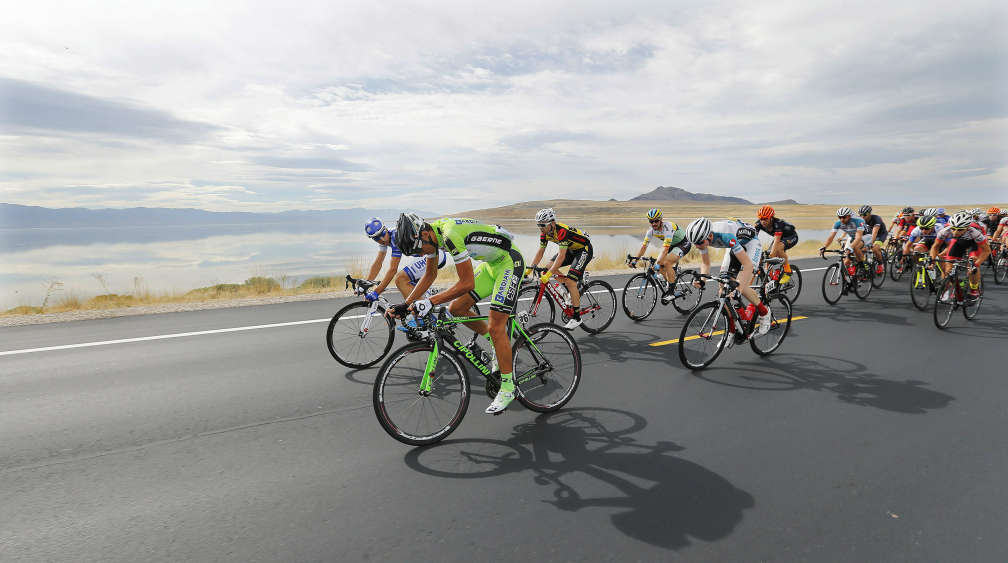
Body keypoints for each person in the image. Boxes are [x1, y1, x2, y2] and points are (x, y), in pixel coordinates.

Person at [391, 213, 526, 414]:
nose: (419, 254)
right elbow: (430, 274)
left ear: (424, 233)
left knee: (497, 326)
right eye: (415, 253)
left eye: (418, 249)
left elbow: (467, 283)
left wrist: (429, 301)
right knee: (456, 309)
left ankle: (508, 387)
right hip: (491, 266)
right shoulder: (431, 236)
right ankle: (495, 344)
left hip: (509, 263)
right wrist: (407, 303)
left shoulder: (449, 235)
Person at [685, 217, 772, 336]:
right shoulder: (701, 238)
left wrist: (738, 289)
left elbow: (747, 265)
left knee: (742, 285)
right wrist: (702, 280)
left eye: (699, 243)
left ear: (709, 236)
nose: (697, 246)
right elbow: (705, 263)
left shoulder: (725, 236)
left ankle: (764, 313)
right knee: (723, 286)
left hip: (750, 243)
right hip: (733, 245)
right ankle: (732, 330)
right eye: (694, 243)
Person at [526, 208, 593, 329]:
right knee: (548, 267)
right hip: (570, 250)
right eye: (538, 225)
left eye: (542, 225)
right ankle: (569, 291)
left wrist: (548, 275)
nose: (540, 228)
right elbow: (540, 251)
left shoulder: (561, 231)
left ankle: (577, 318)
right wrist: (530, 269)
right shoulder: (544, 233)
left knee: (571, 281)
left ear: (552, 223)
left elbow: (561, 256)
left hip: (583, 250)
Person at [363, 217, 448, 305]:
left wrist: (376, 292)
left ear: (385, 229)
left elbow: (393, 270)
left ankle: (420, 313)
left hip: (434, 253)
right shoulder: (384, 240)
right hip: (426, 255)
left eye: (383, 234)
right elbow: (378, 263)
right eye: (376, 238)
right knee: (408, 283)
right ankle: (423, 303)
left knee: (400, 279)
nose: (382, 239)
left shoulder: (395, 237)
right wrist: (367, 283)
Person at [629, 208, 692, 305]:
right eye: (651, 221)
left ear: (661, 220)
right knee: (660, 265)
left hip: (683, 243)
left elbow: (665, 249)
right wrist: (635, 260)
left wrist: (658, 263)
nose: (654, 223)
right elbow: (644, 247)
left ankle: (671, 292)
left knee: (665, 262)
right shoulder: (650, 231)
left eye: (656, 221)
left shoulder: (667, 227)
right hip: (672, 245)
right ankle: (672, 285)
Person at [931, 212, 990, 299]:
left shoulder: (975, 232)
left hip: (974, 243)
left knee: (972, 264)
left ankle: (974, 289)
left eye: (959, 229)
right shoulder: (945, 231)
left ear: (967, 228)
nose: (955, 232)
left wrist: (976, 264)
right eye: (953, 229)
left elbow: (986, 251)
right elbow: (935, 247)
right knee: (948, 266)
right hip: (958, 242)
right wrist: (932, 260)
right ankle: (948, 285)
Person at [753, 205, 798, 285]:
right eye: (761, 219)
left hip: (790, 237)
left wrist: (770, 256)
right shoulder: (758, 224)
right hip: (779, 239)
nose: (763, 221)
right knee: (766, 256)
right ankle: (772, 279)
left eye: (765, 219)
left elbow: (777, 241)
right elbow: (753, 240)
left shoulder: (778, 224)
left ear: (771, 218)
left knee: (776, 250)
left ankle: (788, 271)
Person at [819, 207, 868, 275]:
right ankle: (852, 278)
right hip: (853, 237)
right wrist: (824, 247)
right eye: (840, 217)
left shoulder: (858, 221)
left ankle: (862, 266)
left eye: (844, 217)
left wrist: (850, 247)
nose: (842, 219)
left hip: (865, 236)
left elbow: (859, 237)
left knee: (854, 247)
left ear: (849, 216)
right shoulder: (838, 223)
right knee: (846, 261)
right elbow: (831, 237)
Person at [858, 205, 888, 275]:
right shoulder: (860, 220)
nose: (862, 217)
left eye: (864, 215)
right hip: (869, 235)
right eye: (860, 215)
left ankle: (880, 264)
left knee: (874, 249)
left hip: (880, 234)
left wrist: (869, 244)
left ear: (869, 213)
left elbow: (875, 233)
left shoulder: (876, 219)